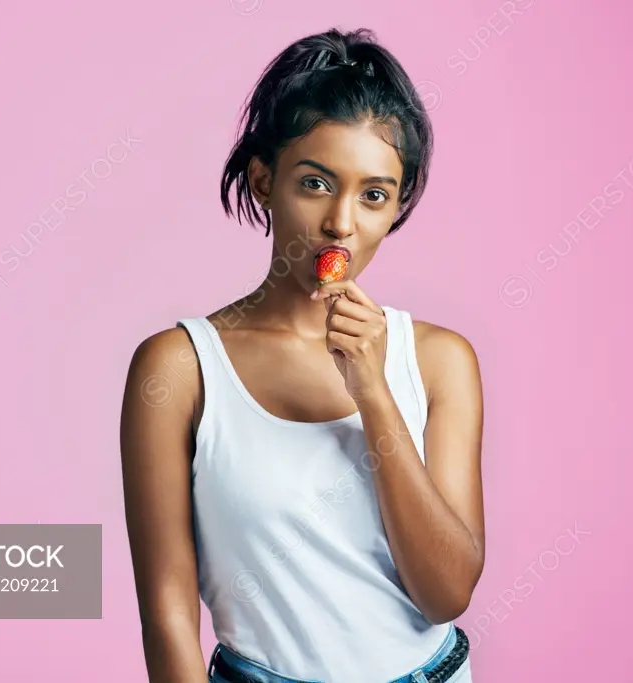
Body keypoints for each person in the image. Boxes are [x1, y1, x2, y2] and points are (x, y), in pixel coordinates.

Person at [120, 27, 485, 683]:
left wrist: (372, 391)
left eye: (373, 195)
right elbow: (168, 615)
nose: (341, 222)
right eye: (315, 183)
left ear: (395, 205)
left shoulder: (439, 361)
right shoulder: (178, 368)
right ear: (263, 181)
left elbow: (447, 592)